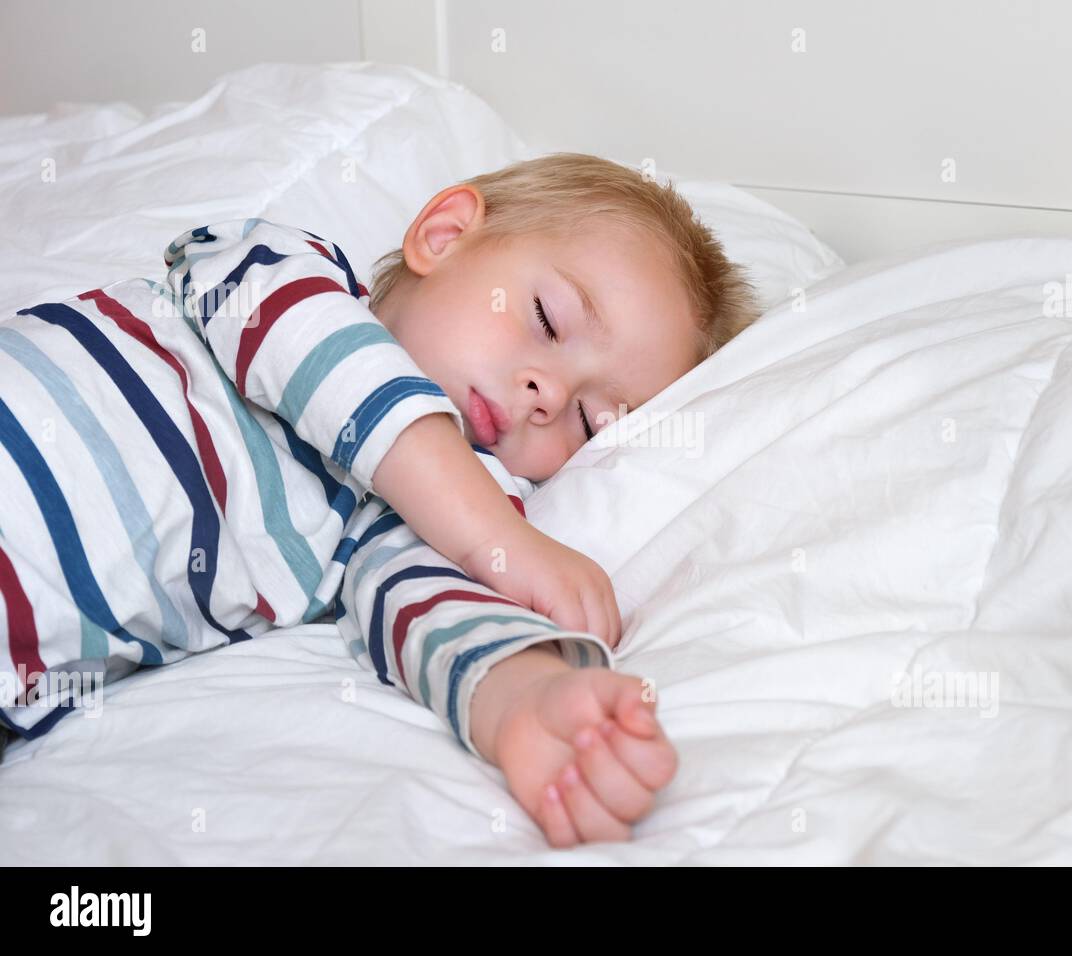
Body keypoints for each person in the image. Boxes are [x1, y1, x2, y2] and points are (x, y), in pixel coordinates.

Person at [0, 152, 762, 846]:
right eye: (546, 320)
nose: (547, 393)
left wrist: (526, 698)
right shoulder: (281, 274)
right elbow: (302, 339)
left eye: (591, 421)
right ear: (445, 233)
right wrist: (488, 523)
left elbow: (431, 609)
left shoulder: (412, 518)